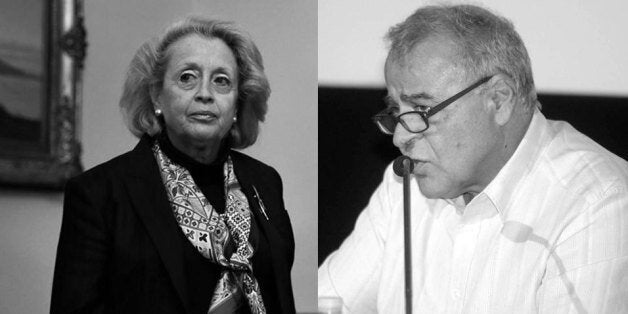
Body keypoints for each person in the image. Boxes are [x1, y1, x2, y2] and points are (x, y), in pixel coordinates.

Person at [318, 4, 628, 313]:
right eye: (397, 112)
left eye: (422, 111)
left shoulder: (598, 204)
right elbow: (328, 303)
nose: (400, 138)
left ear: (499, 99)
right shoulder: (405, 184)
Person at [51, 17, 296, 314]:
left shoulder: (264, 183)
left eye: (221, 81)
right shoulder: (99, 193)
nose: (205, 93)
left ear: (237, 103)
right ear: (156, 95)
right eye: (187, 77)